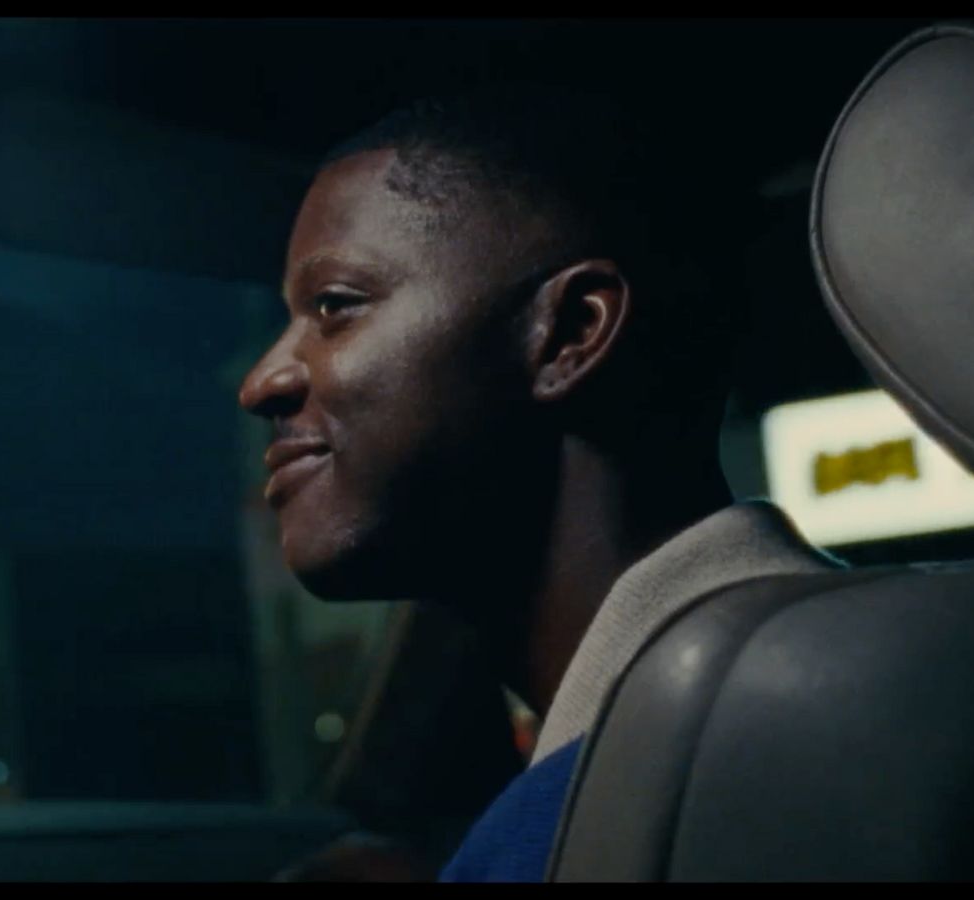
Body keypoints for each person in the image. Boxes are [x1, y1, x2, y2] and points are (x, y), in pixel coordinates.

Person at [238, 83, 841, 882]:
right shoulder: (852, 689)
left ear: (569, 334)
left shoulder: (602, 828)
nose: (261, 383)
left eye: (335, 305)